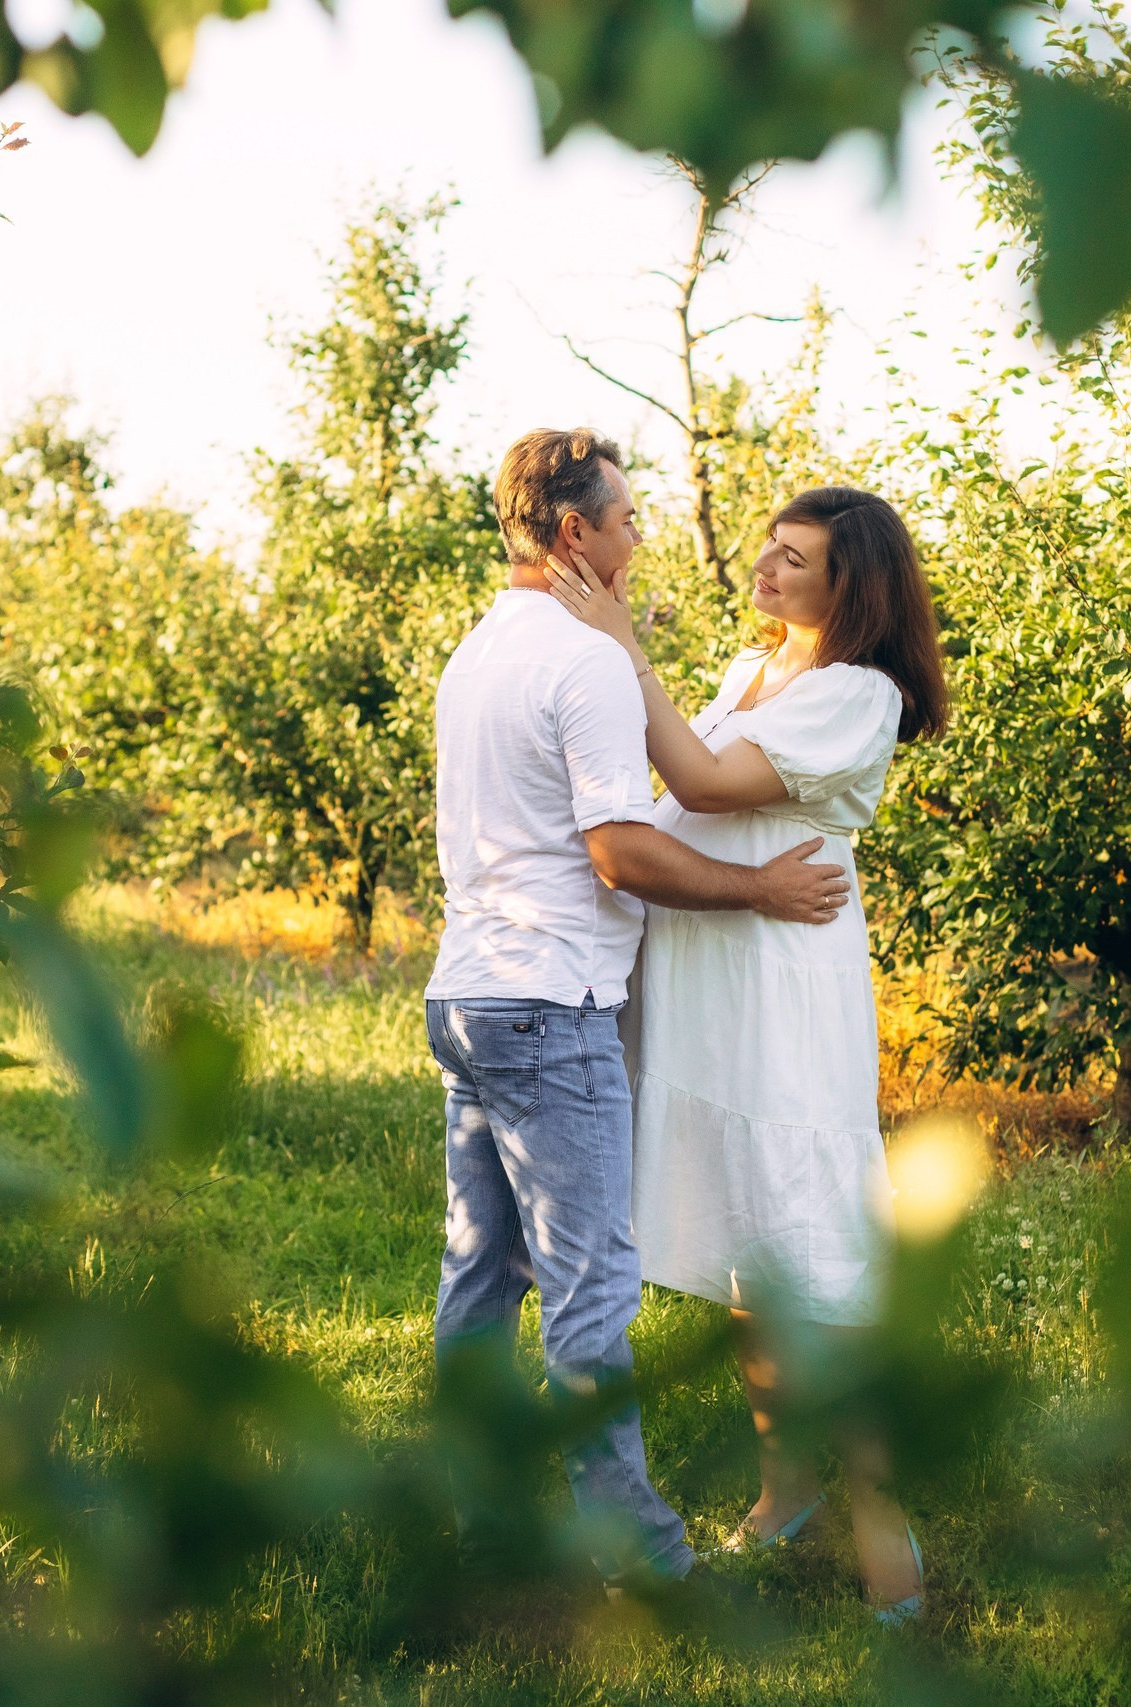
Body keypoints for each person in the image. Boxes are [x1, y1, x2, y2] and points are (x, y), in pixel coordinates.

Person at [425, 428, 853, 1591]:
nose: (636, 536)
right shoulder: (585, 663)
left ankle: (475, 1523)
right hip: (551, 1004)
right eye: (624, 521)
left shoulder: (474, 654)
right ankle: (644, 1558)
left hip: (464, 991)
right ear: (576, 534)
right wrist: (759, 887)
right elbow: (621, 852)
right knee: (586, 1295)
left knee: (478, 1278)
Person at [544, 485, 950, 1622]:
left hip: (782, 1008)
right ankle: (786, 1494)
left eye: (794, 561)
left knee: (817, 1269)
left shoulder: (855, 695)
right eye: (768, 551)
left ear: (848, 590)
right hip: (715, 996)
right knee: (749, 1272)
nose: (764, 571)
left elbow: (705, 783)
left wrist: (624, 651)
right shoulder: (745, 671)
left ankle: (887, 1544)